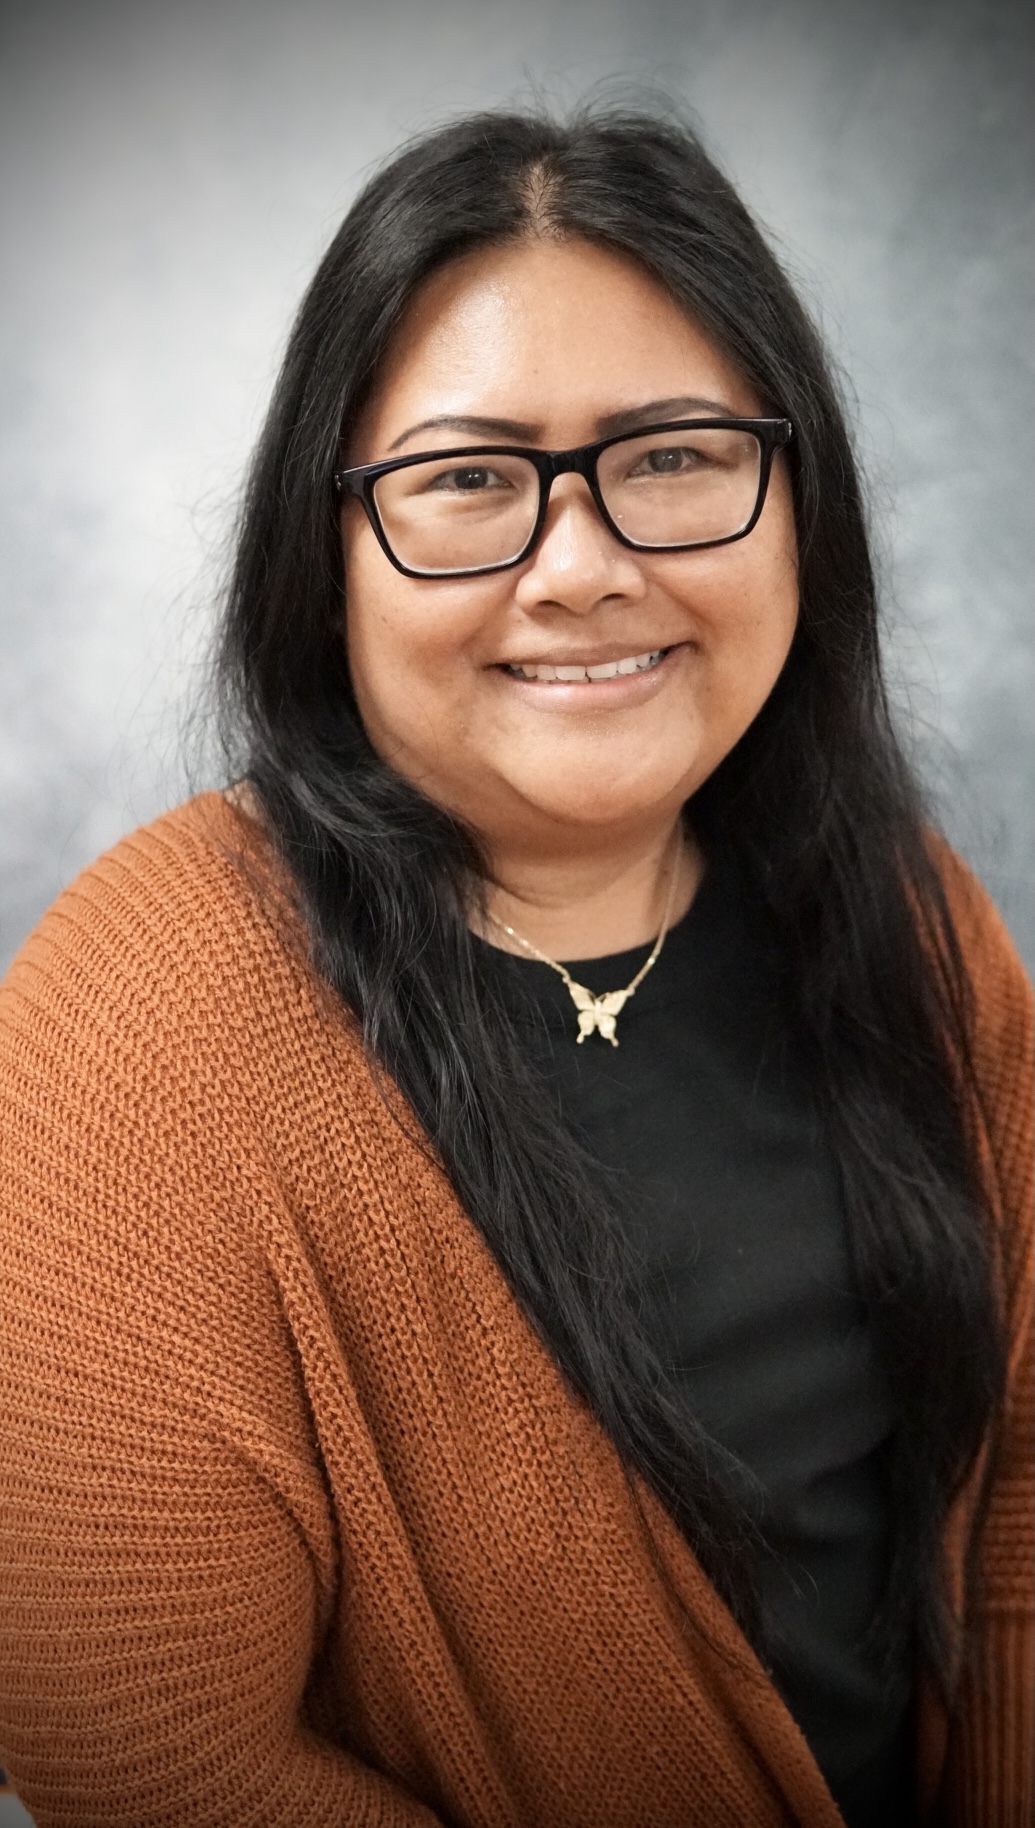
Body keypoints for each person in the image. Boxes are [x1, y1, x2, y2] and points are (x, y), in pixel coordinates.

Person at [0, 105, 1030, 1828]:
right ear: (326, 552)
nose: (582, 567)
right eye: (470, 480)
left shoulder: (912, 918)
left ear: (798, 501)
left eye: (674, 456)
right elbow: (146, 1749)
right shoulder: (135, 1017)